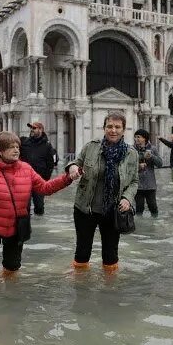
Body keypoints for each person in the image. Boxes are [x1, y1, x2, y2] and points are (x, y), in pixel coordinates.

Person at [0, 131, 71, 278]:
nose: (16, 150)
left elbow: (45, 188)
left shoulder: (26, 169)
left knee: (13, 266)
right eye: (11, 147)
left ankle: (10, 296)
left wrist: (67, 178)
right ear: (0, 151)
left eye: (17, 147)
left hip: (16, 226)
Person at [64, 113, 139, 272]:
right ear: (104, 128)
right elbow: (76, 163)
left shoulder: (131, 154)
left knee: (110, 256)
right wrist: (72, 168)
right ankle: (81, 289)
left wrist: (127, 198)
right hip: (85, 208)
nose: (113, 130)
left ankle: (110, 291)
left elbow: (134, 181)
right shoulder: (91, 147)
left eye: (117, 127)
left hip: (113, 211)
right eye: (109, 126)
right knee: (82, 252)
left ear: (124, 130)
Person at [20, 121, 57, 216]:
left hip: (39, 181)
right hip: (24, 181)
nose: (32, 130)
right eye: (31, 128)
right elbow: (8, 143)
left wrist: (45, 180)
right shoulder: (24, 141)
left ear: (41, 130)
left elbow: (51, 164)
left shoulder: (47, 145)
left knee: (39, 207)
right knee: (24, 208)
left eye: (34, 128)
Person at [132, 129, 160, 218]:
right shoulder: (132, 149)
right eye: (135, 137)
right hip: (137, 184)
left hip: (150, 185)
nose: (136, 139)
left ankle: (154, 226)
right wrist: (138, 166)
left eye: (138, 137)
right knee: (139, 208)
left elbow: (160, 164)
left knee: (153, 207)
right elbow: (127, 167)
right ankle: (139, 228)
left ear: (144, 138)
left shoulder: (153, 148)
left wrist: (152, 156)